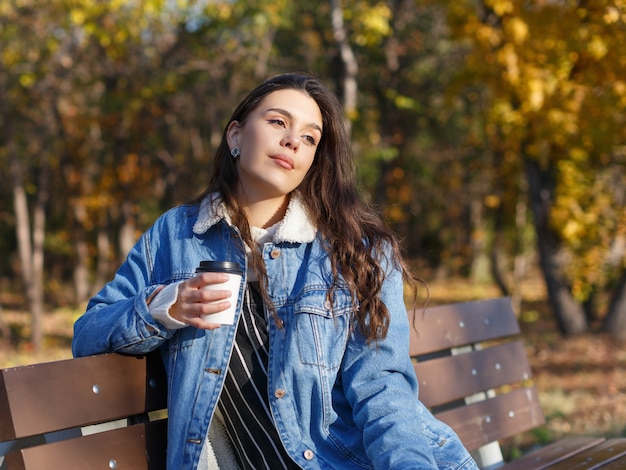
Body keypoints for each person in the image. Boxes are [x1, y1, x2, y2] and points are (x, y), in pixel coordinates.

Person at [72, 72, 478, 470]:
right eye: (278, 122)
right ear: (235, 136)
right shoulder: (175, 236)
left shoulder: (358, 252)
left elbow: (381, 389)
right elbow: (88, 333)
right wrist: (165, 307)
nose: (292, 142)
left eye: (309, 138)